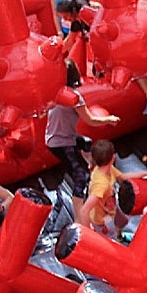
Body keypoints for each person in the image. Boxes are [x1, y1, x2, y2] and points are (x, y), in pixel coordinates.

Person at [46, 59, 120, 217]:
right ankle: (80, 217)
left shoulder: (54, 91)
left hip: (56, 138)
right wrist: (109, 119)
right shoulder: (73, 97)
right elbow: (90, 120)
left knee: (86, 143)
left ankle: (89, 165)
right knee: (80, 177)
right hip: (61, 143)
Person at [78, 138, 147, 241]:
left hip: (111, 207)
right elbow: (84, 210)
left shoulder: (107, 169)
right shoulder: (101, 185)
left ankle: (119, 236)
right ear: (113, 158)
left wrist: (146, 173)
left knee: (123, 221)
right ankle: (117, 241)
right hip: (102, 219)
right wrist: (90, 236)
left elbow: (124, 176)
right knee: (111, 237)